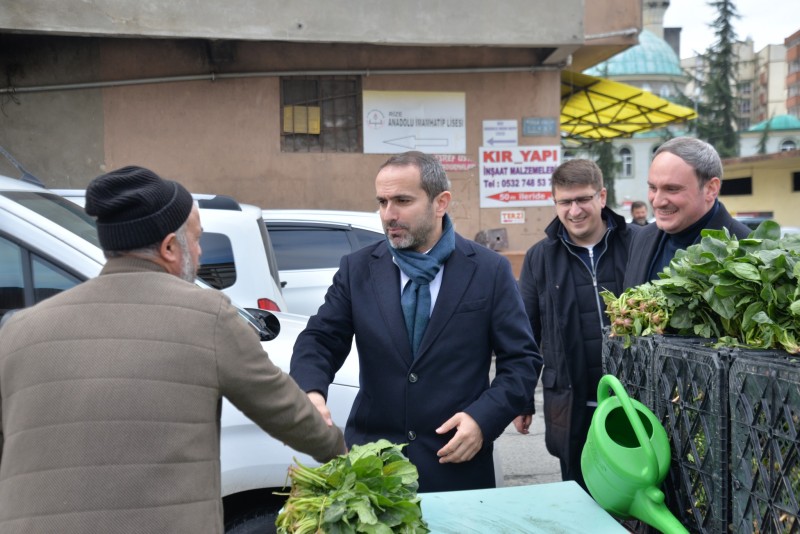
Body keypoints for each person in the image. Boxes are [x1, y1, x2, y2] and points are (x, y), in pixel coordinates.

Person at [0, 166, 345, 533]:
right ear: (168, 248)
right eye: (196, 241)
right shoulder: (207, 316)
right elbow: (288, 413)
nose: (198, 254)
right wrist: (339, 453)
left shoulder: (19, 330)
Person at [290, 151, 541, 493]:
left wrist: (483, 419)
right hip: (374, 470)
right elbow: (320, 339)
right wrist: (311, 392)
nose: (388, 215)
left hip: (456, 465)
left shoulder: (488, 271)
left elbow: (522, 362)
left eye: (402, 201)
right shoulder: (358, 269)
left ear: (441, 203)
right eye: (382, 201)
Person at [517, 158, 637, 490]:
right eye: (565, 202)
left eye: (583, 199)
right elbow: (525, 335)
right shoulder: (540, 258)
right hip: (572, 406)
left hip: (637, 402)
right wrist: (522, 399)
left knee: (638, 499)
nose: (574, 210)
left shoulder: (638, 244)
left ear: (602, 195)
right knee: (581, 496)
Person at [624, 137, 751, 288]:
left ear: (711, 189)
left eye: (672, 189)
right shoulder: (642, 238)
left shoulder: (748, 251)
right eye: (653, 188)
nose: (657, 202)